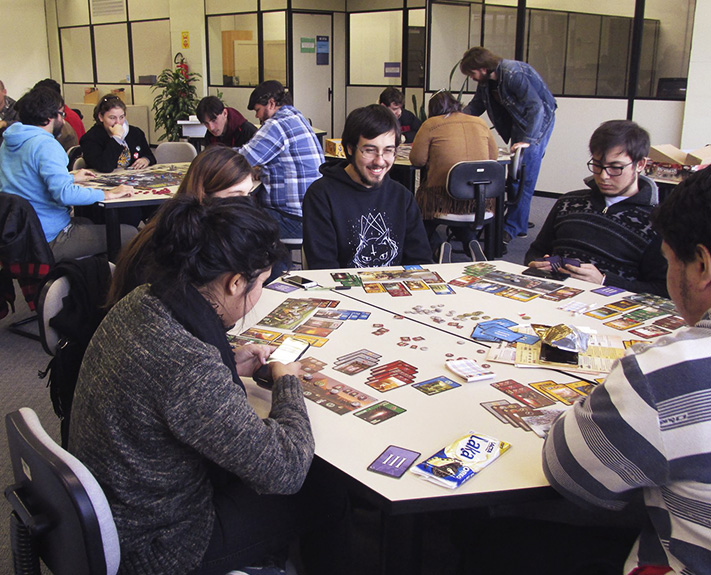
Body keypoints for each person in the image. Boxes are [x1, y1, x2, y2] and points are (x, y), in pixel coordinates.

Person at [69, 196, 343, 575]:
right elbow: (286, 468)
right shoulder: (186, 363)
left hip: (117, 512)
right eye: (261, 283)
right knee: (325, 486)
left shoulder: (143, 300)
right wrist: (287, 382)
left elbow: (162, 383)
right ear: (234, 283)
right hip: (159, 547)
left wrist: (226, 362)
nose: (259, 294)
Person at [542, 165, 711, 575]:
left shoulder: (665, 375)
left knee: (491, 541)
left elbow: (567, 471)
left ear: (702, 265)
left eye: (670, 260)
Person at [525, 120, 668, 297]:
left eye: (615, 168)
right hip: (551, 295)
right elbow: (536, 250)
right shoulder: (569, 202)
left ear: (640, 165)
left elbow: (662, 290)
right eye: (597, 165)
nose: (603, 176)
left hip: (610, 309)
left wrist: (604, 281)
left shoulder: (658, 221)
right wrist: (535, 263)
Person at [106, 146, 257, 306]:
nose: (246, 206)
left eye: (247, 195)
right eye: (236, 196)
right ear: (205, 194)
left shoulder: (206, 228)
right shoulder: (176, 242)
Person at [0, 86, 136, 260]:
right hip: (49, 238)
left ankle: (87, 274)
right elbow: (64, 194)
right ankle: (111, 282)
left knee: (88, 223)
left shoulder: (9, 141)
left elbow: (26, 179)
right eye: (62, 114)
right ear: (49, 117)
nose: (64, 121)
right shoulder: (45, 145)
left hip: (18, 233)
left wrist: (69, 177)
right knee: (129, 233)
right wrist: (108, 194)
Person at [303, 104, 432, 269]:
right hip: (341, 292)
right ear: (350, 149)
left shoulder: (402, 196)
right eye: (370, 150)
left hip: (394, 291)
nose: (379, 161)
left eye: (388, 151)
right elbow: (323, 268)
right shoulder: (321, 195)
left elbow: (420, 261)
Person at [460, 46, 556, 244]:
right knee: (514, 175)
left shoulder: (513, 73)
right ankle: (517, 224)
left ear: (483, 68)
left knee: (524, 176)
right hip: (519, 122)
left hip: (536, 124)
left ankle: (511, 228)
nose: (472, 77)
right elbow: (477, 105)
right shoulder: (486, 83)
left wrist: (527, 140)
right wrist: (456, 118)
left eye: (472, 72)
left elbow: (535, 108)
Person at [409, 90, 498, 253]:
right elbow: (493, 158)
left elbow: (417, 160)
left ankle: (434, 246)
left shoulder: (431, 124)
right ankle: (470, 241)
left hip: (442, 198)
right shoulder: (480, 123)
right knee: (458, 208)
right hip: (480, 198)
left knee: (421, 207)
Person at [239, 80, 323, 240]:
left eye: (258, 110)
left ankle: (276, 264)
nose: (256, 116)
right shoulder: (297, 117)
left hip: (292, 219)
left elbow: (241, 159)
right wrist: (261, 170)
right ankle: (280, 262)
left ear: (271, 103)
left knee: (240, 225)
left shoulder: (276, 124)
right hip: (312, 215)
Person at [80, 94, 156, 173]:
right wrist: (116, 138)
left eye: (121, 117)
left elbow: (150, 156)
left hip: (132, 179)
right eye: (112, 118)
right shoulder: (90, 138)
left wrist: (146, 160)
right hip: (103, 181)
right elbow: (105, 167)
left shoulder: (135, 133)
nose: (118, 122)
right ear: (101, 117)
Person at [0, 79, 18, 144]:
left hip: (10, 147)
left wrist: (5, 123)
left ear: (4, 92)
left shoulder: (15, 107)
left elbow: (22, 125)